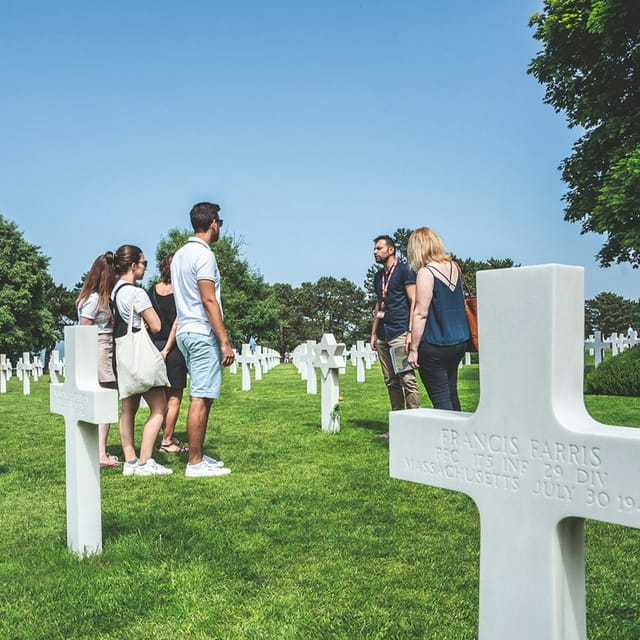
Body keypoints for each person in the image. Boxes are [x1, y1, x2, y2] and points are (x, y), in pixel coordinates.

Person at [171, 202, 234, 478]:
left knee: (202, 395)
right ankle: (195, 463)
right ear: (213, 223)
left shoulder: (179, 255)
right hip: (200, 330)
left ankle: (198, 455)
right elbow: (208, 299)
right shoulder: (204, 255)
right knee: (201, 396)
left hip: (185, 329)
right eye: (219, 221)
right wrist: (224, 340)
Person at [110, 244, 172, 477]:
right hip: (141, 354)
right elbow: (156, 325)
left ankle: (130, 461)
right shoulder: (137, 293)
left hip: (123, 355)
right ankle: (146, 460)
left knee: (128, 408)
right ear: (133, 265)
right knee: (159, 408)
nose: (146, 267)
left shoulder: (116, 291)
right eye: (144, 263)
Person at [406, 227, 470, 411]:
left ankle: (448, 438)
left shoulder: (426, 273)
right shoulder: (454, 267)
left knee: (441, 399)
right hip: (459, 340)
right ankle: (458, 436)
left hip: (435, 344)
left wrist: (414, 349)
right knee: (451, 393)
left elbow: (421, 313)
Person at [370, 235, 421, 426]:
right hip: (383, 335)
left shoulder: (405, 271)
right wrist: (374, 333)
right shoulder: (378, 277)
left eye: (379, 248)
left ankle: (415, 424)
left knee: (406, 379)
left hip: (400, 333)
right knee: (391, 381)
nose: (375, 252)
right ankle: (398, 427)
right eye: (374, 249)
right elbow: (378, 305)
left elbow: (414, 301)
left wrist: (410, 331)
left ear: (391, 250)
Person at [76, 252, 119, 468]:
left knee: (107, 398)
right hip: (100, 348)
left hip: (105, 347)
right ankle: (100, 453)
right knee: (106, 399)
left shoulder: (100, 298)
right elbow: (85, 331)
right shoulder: (93, 300)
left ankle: (99, 449)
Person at [147, 253, 188, 454]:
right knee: (174, 396)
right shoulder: (181, 292)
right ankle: (167, 439)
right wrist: (168, 348)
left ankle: (165, 435)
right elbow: (177, 323)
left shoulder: (150, 291)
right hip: (172, 349)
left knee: (161, 397)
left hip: (154, 346)